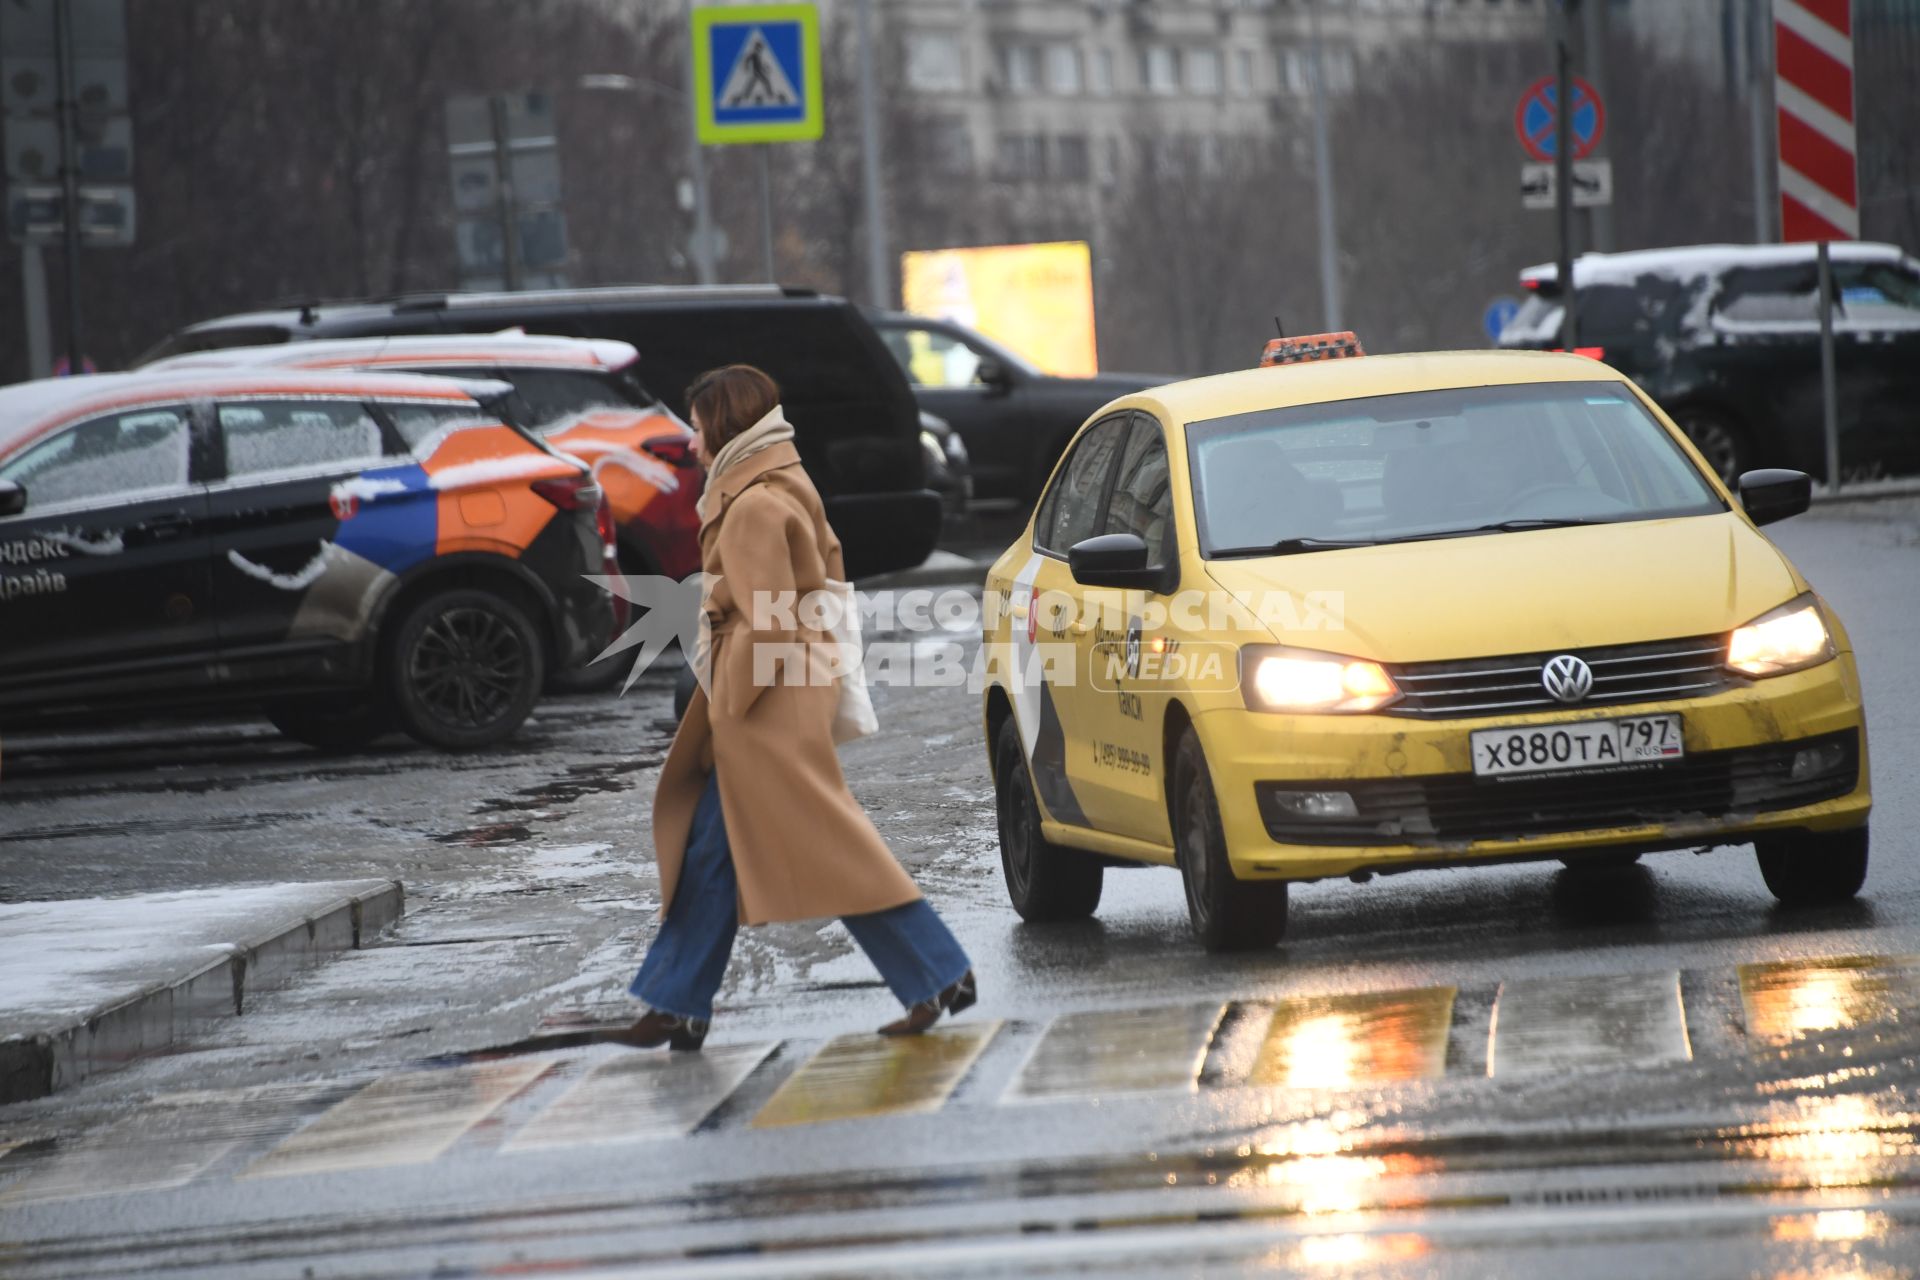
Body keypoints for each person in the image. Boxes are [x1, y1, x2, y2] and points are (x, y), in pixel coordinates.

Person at [613, 364, 976, 1051]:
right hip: (788, 692)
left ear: (723, 427)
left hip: (764, 704)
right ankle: (677, 1000)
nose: (690, 445)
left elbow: (767, 621)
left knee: (826, 848)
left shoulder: (751, 504)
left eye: (695, 429)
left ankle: (940, 970)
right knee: (714, 853)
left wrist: (729, 703)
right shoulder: (782, 483)